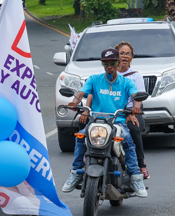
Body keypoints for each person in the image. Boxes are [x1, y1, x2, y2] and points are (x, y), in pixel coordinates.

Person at [61, 48, 147, 197]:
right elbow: (82, 93)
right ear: (103, 64)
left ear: (118, 63)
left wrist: (136, 108)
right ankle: (75, 172)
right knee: (80, 137)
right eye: (106, 63)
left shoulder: (126, 82)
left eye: (112, 63)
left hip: (117, 122)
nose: (109, 67)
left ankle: (135, 177)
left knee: (127, 140)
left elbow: (136, 96)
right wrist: (74, 102)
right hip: (95, 122)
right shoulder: (94, 80)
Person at [115, 41, 149, 180]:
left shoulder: (135, 76)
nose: (124, 56)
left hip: (130, 112)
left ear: (132, 57)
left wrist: (133, 113)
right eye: (121, 53)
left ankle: (141, 165)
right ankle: (85, 161)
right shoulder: (108, 74)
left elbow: (138, 97)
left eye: (128, 54)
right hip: (111, 112)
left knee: (134, 128)